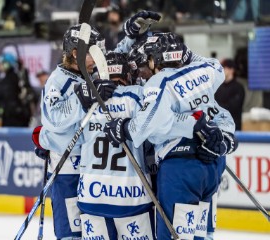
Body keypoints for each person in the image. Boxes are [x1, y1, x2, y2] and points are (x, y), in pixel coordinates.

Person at [103, 32, 238, 240]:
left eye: (148, 59)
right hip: (212, 167)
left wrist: (123, 127)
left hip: (180, 167)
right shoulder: (206, 71)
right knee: (201, 236)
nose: (145, 66)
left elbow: (143, 128)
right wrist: (225, 138)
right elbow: (218, 113)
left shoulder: (158, 83)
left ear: (156, 59)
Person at [33, 24, 115, 240]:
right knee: (72, 234)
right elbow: (54, 118)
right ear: (76, 53)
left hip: (93, 171)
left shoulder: (90, 76)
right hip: (67, 171)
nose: (98, 59)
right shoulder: (57, 80)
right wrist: (80, 98)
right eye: (93, 53)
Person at [74, 51, 155, 239]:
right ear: (128, 75)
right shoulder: (137, 96)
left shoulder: (85, 100)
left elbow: (70, 138)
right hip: (131, 198)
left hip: (91, 197)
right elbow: (155, 134)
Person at [0, 52, 29, 127]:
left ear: (7, 64)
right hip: (13, 114)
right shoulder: (12, 77)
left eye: (1, 63)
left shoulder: (10, 79)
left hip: (13, 117)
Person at [215, 58, 245, 131]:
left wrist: (217, 107)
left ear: (232, 70)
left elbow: (233, 107)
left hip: (234, 128)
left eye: (224, 68)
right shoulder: (218, 87)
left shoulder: (238, 88)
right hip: (218, 128)